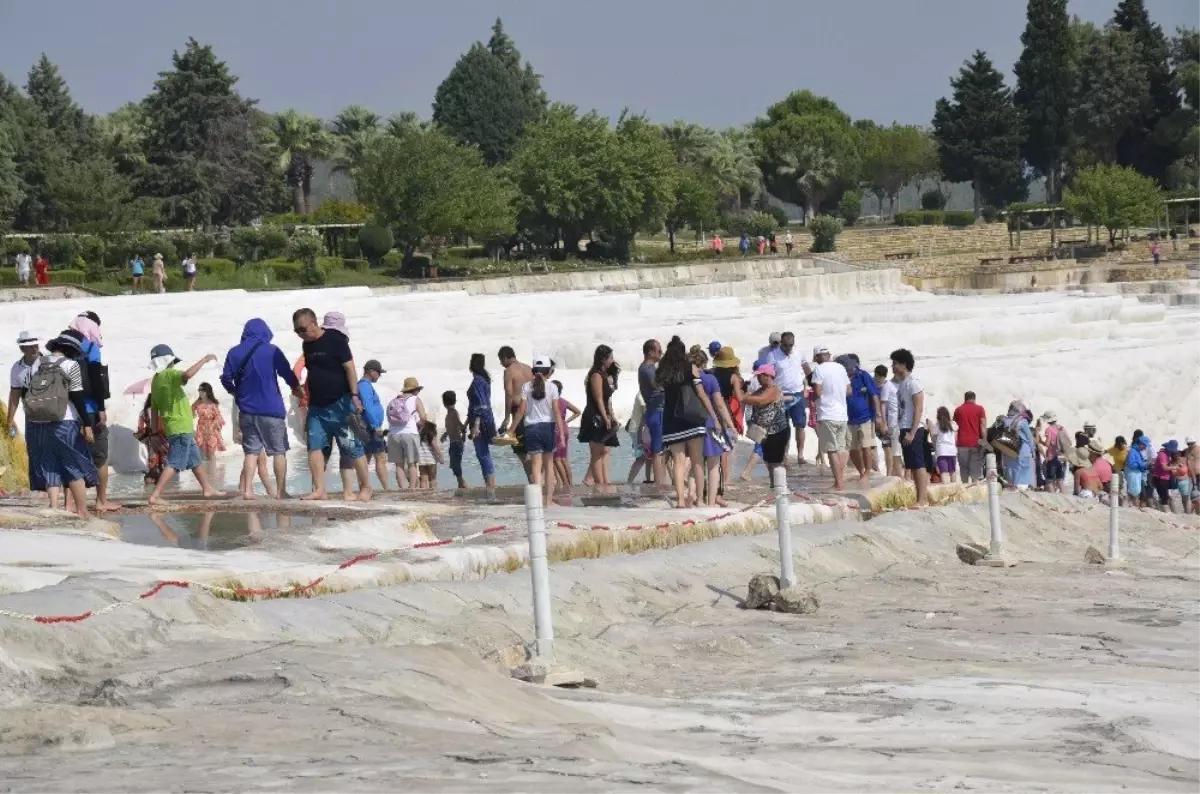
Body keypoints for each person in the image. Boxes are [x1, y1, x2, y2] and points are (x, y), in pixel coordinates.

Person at [292, 309, 371, 502]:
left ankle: (366, 487)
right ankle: (319, 489)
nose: (301, 334)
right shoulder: (307, 345)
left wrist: (353, 395)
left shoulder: (336, 340)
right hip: (317, 406)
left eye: (303, 329)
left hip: (340, 403)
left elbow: (349, 367)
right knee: (314, 446)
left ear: (313, 322)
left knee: (352, 446)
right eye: (297, 331)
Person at [220, 317, 301, 500]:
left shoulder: (234, 352)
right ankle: (280, 492)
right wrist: (297, 389)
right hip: (271, 409)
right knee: (278, 451)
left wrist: (235, 393)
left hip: (247, 411)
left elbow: (225, 378)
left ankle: (248, 491)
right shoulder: (272, 350)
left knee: (251, 452)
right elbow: (287, 374)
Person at [20, 333, 98, 515]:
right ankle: (82, 510)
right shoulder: (71, 365)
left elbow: (25, 393)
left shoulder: (36, 364)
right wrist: (87, 424)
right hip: (65, 421)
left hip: (38, 423)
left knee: (49, 463)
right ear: (71, 350)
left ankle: (54, 507)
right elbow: (77, 397)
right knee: (74, 465)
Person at [147, 344, 225, 506]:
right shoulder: (169, 374)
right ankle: (155, 495)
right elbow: (187, 374)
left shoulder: (155, 381)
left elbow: (154, 410)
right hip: (181, 427)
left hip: (174, 427)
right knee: (175, 462)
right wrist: (204, 360)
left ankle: (207, 489)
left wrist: (154, 434)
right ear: (168, 361)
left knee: (195, 460)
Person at [658, 337, 721, 508]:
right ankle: (700, 500)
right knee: (697, 460)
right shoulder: (689, 368)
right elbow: (701, 394)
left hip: (672, 420)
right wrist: (714, 418)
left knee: (678, 462)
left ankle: (679, 500)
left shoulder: (663, 371)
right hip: (692, 419)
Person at [64, 312, 115, 513]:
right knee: (100, 456)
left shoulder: (64, 346)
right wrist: (101, 408)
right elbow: (96, 378)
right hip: (90, 409)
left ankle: (69, 504)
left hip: (69, 411)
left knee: (71, 455)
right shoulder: (91, 347)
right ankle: (101, 500)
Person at [510, 356, 566, 506]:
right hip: (548, 427)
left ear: (533, 371)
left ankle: (538, 501)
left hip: (531, 428)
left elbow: (521, 410)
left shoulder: (526, 387)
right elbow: (556, 411)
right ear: (548, 371)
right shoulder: (552, 387)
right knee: (548, 466)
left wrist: (511, 430)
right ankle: (548, 501)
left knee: (535, 467)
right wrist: (561, 433)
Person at [689, 346, 737, 507]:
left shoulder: (686, 380)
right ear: (704, 363)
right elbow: (720, 405)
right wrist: (731, 425)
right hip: (709, 424)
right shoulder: (710, 380)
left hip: (690, 424)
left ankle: (692, 497)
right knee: (713, 465)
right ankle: (710, 503)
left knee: (695, 464)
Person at [741, 363, 790, 487]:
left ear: (768, 376)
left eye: (760, 376)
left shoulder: (774, 390)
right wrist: (744, 396)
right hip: (766, 432)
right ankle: (774, 485)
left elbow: (760, 400)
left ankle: (780, 488)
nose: (757, 378)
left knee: (776, 462)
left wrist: (742, 397)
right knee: (768, 461)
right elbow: (751, 399)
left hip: (778, 432)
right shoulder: (761, 390)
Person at [810, 346, 851, 490]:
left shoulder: (819, 369)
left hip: (828, 414)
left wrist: (810, 398)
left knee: (832, 450)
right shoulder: (840, 368)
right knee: (840, 449)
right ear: (828, 355)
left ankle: (838, 483)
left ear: (817, 357)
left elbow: (818, 391)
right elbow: (849, 390)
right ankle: (841, 481)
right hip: (842, 415)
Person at [766, 332, 811, 467]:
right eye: (785, 345)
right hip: (780, 395)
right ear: (781, 343)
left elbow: (807, 369)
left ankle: (800, 455)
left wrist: (811, 385)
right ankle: (784, 455)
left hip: (797, 393)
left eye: (790, 345)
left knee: (800, 425)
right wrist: (771, 392)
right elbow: (769, 376)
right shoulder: (772, 355)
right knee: (783, 427)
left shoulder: (798, 353)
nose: (788, 348)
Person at [891, 348, 929, 504]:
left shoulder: (913, 382)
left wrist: (912, 432)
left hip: (914, 429)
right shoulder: (902, 384)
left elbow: (919, 408)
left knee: (918, 464)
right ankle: (919, 497)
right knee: (912, 465)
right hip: (904, 427)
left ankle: (923, 499)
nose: (892, 366)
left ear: (904, 365)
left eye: (895, 363)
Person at [578, 344, 620, 487]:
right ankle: (599, 484)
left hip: (603, 415)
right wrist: (605, 417)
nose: (612, 361)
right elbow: (598, 399)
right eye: (610, 358)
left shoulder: (604, 375)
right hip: (594, 416)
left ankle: (604, 482)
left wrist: (612, 416)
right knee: (596, 453)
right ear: (603, 359)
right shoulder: (595, 375)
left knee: (604, 450)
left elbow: (607, 400)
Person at [841, 354, 882, 485]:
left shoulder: (863, 375)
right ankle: (861, 472)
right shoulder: (840, 378)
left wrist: (878, 415)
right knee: (853, 449)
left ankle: (868, 472)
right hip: (848, 419)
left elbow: (874, 396)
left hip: (865, 417)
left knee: (866, 446)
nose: (850, 371)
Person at [711, 346, 745, 490]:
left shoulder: (712, 373)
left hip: (710, 407)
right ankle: (726, 479)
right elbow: (739, 397)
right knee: (725, 446)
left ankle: (713, 475)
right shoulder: (734, 377)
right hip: (725, 407)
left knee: (712, 443)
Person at [498, 346, 534, 473]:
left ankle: (534, 482)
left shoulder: (509, 371)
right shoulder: (528, 368)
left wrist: (507, 417)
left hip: (518, 411)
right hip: (532, 411)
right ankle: (541, 481)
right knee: (533, 451)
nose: (502, 364)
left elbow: (509, 393)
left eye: (501, 360)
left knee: (522, 452)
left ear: (505, 357)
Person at [387, 377, 427, 490]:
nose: (418, 392)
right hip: (410, 433)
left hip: (393, 434)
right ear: (414, 389)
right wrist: (418, 425)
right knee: (412, 463)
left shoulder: (394, 400)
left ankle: (403, 488)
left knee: (399, 464)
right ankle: (412, 488)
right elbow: (423, 417)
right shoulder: (415, 399)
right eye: (418, 389)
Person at [466, 354, 497, 496]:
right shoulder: (484, 380)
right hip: (485, 418)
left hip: (481, 420)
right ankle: (489, 487)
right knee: (483, 454)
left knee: (483, 453)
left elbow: (480, 405)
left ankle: (490, 488)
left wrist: (476, 425)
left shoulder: (478, 381)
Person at [356, 359, 389, 491]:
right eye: (378, 372)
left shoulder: (364, 385)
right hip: (370, 427)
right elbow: (368, 405)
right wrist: (375, 425)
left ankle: (363, 487)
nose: (379, 375)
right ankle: (386, 489)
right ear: (370, 371)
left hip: (367, 426)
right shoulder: (364, 385)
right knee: (380, 457)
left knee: (367, 457)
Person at [637, 338, 666, 487]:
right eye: (659, 351)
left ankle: (660, 481)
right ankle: (659, 483)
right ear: (651, 352)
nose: (661, 354)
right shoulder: (647, 369)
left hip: (655, 410)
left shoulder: (648, 368)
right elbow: (657, 384)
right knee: (658, 449)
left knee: (660, 449)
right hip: (656, 410)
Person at [6, 331, 40, 440]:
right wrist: (10, 420)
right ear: (22, 349)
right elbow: (14, 395)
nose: (34, 348)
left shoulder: (49, 362)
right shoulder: (17, 368)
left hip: (54, 416)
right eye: (30, 346)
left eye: (36, 345)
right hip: (31, 417)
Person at [951, 392, 987, 483]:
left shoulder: (958, 410)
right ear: (974, 399)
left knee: (964, 468)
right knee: (975, 469)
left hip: (961, 443)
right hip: (976, 443)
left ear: (965, 398)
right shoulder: (980, 409)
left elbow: (954, 427)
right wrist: (985, 440)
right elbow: (983, 425)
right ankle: (975, 490)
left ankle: (965, 489)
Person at [999, 400, 1035, 491]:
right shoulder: (1022, 421)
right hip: (1022, 449)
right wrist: (1033, 449)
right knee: (1023, 469)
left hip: (1007, 446)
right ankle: (1021, 488)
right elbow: (1029, 437)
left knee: (1010, 468)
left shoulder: (1004, 420)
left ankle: (1012, 486)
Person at [552, 379, 580, 489]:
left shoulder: (552, 402)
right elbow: (578, 411)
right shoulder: (563, 401)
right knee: (564, 458)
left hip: (556, 430)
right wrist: (566, 421)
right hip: (565, 429)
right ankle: (570, 482)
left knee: (556, 459)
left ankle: (564, 483)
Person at [135, 394, 167, 484]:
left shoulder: (143, 412)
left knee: (152, 458)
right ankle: (159, 478)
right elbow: (162, 426)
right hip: (160, 437)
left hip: (149, 438)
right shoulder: (160, 411)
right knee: (161, 458)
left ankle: (151, 477)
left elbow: (140, 428)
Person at [191, 382, 226, 462]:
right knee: (203, 453)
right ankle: (207, 472)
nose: (200, 392)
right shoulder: (198, 402)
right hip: (201, 429)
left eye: (202, 390)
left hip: (211, 429)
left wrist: (212, 428)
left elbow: (218, 417)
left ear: (207, 391)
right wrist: (193, 415)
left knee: (211, 453)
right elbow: (192, 408)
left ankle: (213, 473)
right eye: (199, 390)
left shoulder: (213, 403)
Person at [442, 391, 468, 490]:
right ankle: (461, 483)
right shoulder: (448, 414)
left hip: (457, 442)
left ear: (444, 403)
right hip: (453, 442)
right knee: (453, 464)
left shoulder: (453, 412)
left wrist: (463, 430)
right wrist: (446, 433)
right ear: (455, 401)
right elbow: (452, 426)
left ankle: (462, 483)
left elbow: (458, 423)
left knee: (456, 463)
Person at [1038, 410, 1070, 493]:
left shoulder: (1049, 430)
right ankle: (1065, 498)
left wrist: (1040, 441)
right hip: (1062, 457)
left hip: (1052, 457)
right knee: (1060, 480)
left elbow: (1048, 444)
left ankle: (1054, 499)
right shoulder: (1061, 428)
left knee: (1049, 480)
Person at [929, 406, 959, 484]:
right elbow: (955, 439)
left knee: (944, 472)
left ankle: (947, 490)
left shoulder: (937, 425)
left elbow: (934, 439)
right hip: (952, 451)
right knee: (952, 472)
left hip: (942, 451)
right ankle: (954, 490)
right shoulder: (953, 424)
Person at [1124, 435, 1150, 507]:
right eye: (1145, 446)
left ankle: (1133, 507)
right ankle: (1136, 508)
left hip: (1136, 475)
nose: (1145, 448)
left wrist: (1145, 466)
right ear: (1141, 444)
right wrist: (1141, 465)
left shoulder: (1137, 452)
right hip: (1132, 475)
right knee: (1135, 493)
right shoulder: (1132, 451)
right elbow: (1131, 464)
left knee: (1135, 493)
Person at [417, 421, 444, 489]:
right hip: (431, 459)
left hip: (421, 459)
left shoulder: (418, 431)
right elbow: (434, 444)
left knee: (423, 479)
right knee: (432, 479)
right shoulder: (431, 430)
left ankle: (424, 495)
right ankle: (433, 493)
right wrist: (440, 455)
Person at [1151, 440, 1178, 510]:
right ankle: (1165, 512)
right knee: (1164, 497)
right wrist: (1175, 467)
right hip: (1160, 478)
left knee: (1166, 497)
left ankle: (1167, 511)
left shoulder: (1167, 454)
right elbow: (1164, 468)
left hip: (1165, 478)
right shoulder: (1162, 455)